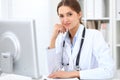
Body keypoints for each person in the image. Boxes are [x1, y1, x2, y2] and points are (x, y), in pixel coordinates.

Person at [46, 0, 115, 79]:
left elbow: (109, 71)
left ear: (79, 14)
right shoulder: (61, 39)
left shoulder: (94, 36)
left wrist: (75, 74)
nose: (65, 20)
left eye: (69, 14)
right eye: (61, 16)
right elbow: (53, 73)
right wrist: (53, 38)